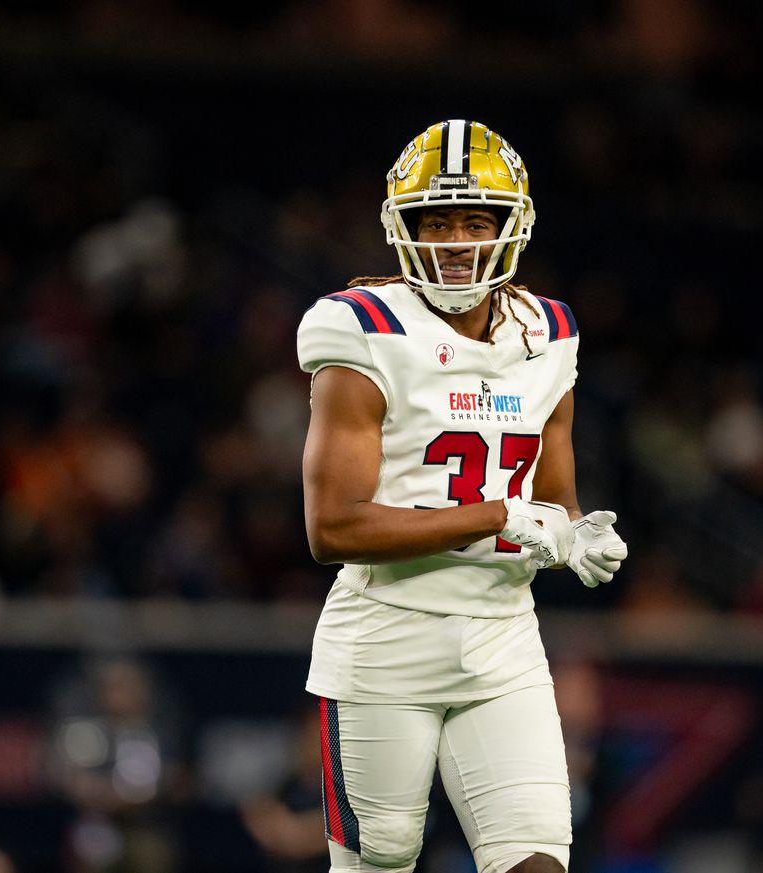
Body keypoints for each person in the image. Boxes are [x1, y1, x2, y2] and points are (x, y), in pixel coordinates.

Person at [296, 119, 628, 873]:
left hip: (501, 635)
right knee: (379, 866)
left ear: (512, 227)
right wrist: (497, 516)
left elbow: (551, 499)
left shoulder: (550, 332)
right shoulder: (364, 328)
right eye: (435, 220)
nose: (454, 239)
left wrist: (574, 535)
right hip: (387, 637)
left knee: (538, 863)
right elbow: (332, 528)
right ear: (401, 229)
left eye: (474, 219)